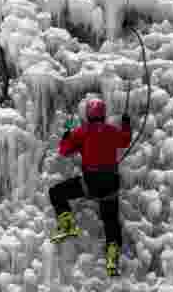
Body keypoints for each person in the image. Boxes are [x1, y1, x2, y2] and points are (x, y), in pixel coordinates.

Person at [49, 98, 132, 276]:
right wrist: (125, 123)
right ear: (103, 114)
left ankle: (67, 224)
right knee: (111, 220)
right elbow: (125, 141)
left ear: (88, 114)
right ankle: (112, 257)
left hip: (90, 184)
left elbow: (64, 151)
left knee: (56, 193)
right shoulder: (112, 131)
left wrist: (66, 134)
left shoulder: (82, 132)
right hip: (110, 185)